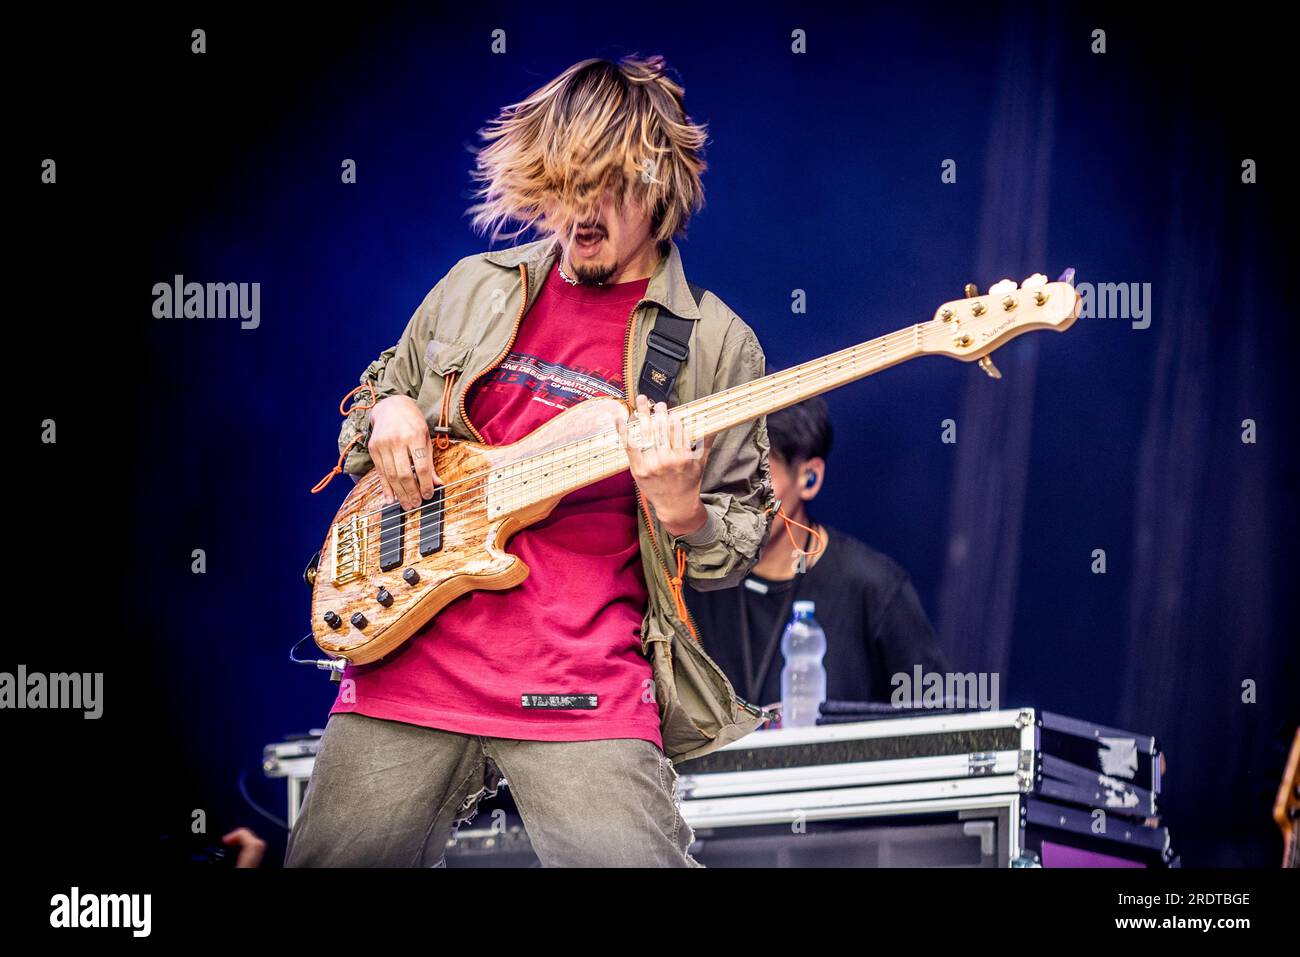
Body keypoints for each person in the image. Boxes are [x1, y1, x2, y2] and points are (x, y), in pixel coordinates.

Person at [286, 54, 776, 868]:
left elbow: (738, 542)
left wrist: (683, 508)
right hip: (410, 666)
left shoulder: (717, 344)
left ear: (658, 187)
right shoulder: (472, 286)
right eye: (564, 184)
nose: (580, 209)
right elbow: (376, 397)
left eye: (605, 186)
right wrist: (388, 413)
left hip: (580, 688)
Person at [685, 397, 947, 716]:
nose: (735, 498)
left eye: (756, 476)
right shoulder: (690, 577)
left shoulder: (874, 587)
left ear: (809, 477)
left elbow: (938, 724)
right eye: (724, 476)